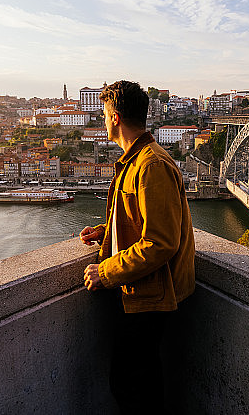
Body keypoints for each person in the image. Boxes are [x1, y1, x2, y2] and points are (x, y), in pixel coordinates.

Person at [80, 80, 195, 414]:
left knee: (133, 388)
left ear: (115, 117)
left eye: (104, 114)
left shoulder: (150, 165)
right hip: (141, 291)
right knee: (136, 383)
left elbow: (160, 243)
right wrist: (106, 232)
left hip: (149, 297)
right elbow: (141, 220)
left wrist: (105, 272)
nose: (103, 120)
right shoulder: (138, 160)